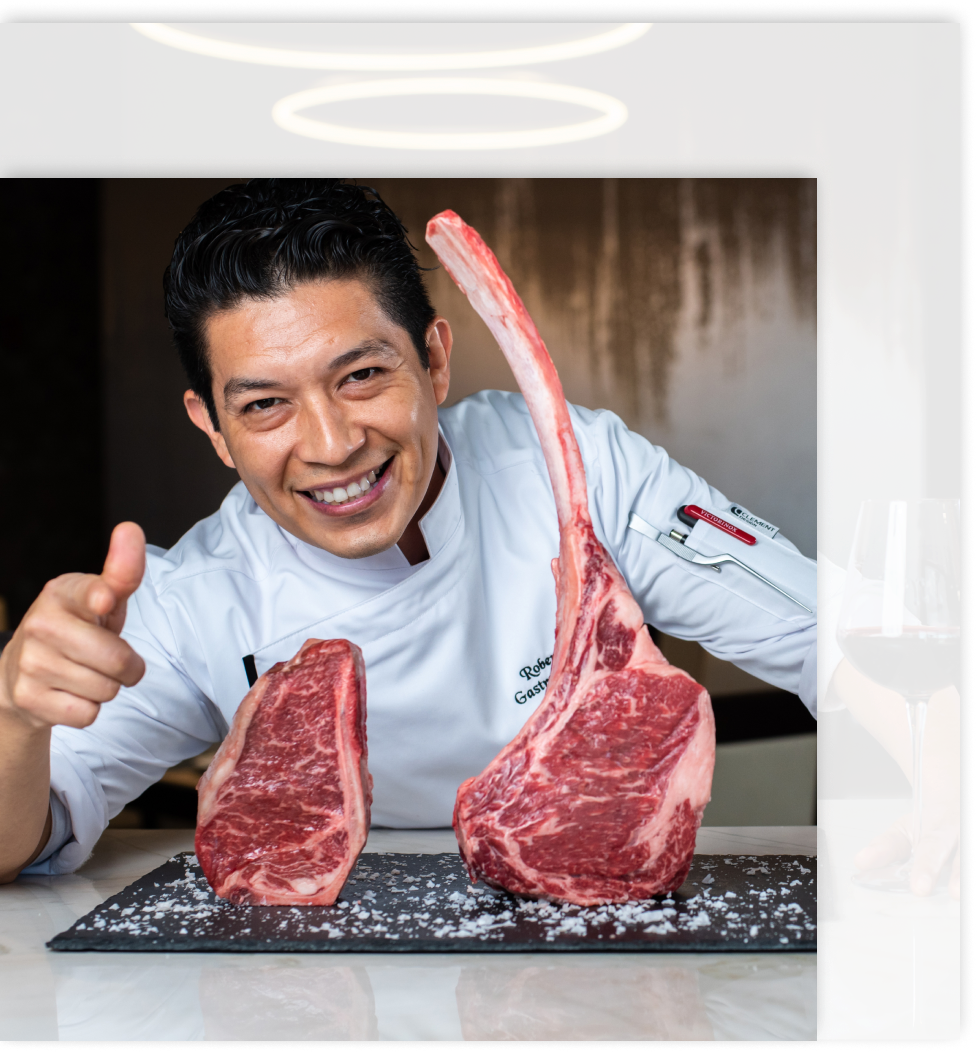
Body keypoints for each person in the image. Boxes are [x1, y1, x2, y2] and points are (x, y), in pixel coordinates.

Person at [0, 173, 959, 898]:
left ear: (435, 359)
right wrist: (14, 720)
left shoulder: (569, 467)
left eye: (362, 376)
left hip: (597, 959)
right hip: (322, 999)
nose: (332, 445)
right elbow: (25, 838)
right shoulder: (194, 596)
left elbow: (833, 627)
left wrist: (949, 771)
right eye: (264, 405)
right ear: (211, 427)